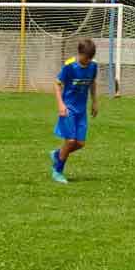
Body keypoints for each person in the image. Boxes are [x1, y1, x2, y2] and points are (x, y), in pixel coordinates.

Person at [50, 38, 101, 184]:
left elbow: (92, 82)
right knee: (70, 141)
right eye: (86, 59)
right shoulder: (70, 66)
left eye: (90, 59)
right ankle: (57, 171)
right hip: (68, 109)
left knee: (80, 143)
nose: (88, 62)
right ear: (80, 54)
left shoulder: (93, 66)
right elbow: (57, 84)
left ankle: (58, 154)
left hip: (81, 110)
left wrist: (95, 102)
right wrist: (60, 104)